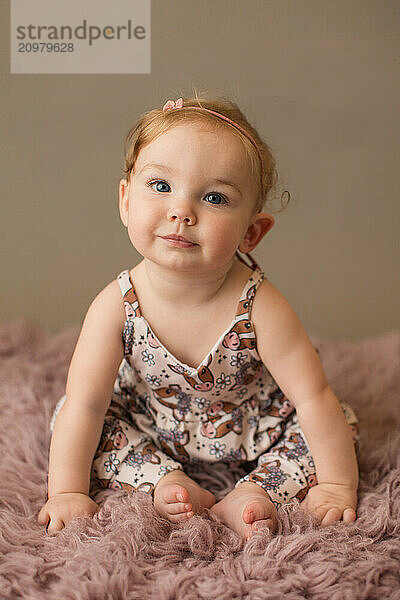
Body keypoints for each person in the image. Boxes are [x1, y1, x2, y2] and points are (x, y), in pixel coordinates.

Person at [38, 95, 361, 540]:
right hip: (152, 424)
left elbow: (313, 398)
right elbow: (86, 403)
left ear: (251, 232)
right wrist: (67, 491)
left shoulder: (261, 305)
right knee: (72, 421)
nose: (181, 211)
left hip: (253, 427)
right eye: (161, 186)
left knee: (336, 425)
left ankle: (254, 494)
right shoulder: (116, 304)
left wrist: (338, 486)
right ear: (126, 200)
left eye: (214, 197)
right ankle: (166, 481)